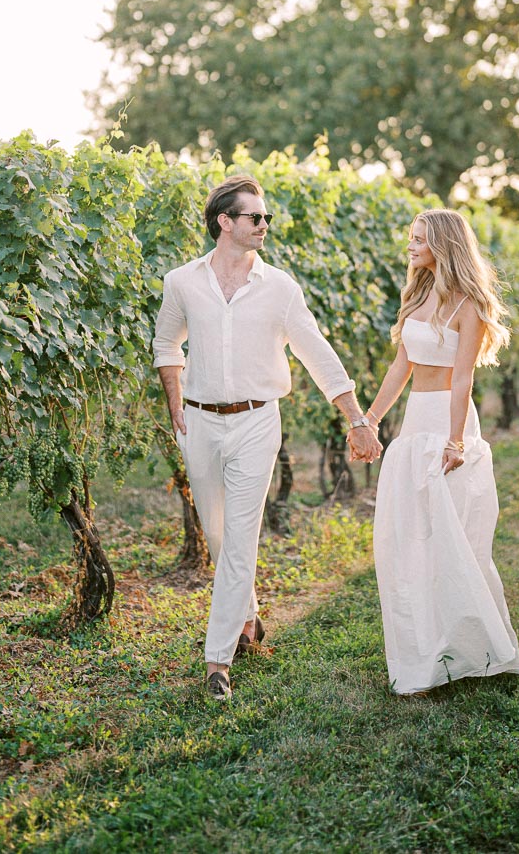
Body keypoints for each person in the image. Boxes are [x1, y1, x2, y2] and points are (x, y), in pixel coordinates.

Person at [154, 174, 382, 701]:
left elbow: (316, 352)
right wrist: (174, 400)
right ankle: (250, 617)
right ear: (224, 223)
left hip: (258, 421)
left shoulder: (280, 288)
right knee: (217, 536)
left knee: (239, 537)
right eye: (255, 217)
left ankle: (217, 659)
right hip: (200, 421)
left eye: (266, 218)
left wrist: (355, 416)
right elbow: (167, 342)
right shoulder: (182, 281)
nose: (264, 225)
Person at [356, 208, 519, 695]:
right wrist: (369, 418)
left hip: (448, 425)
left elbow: (463, 378)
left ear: (443, 245)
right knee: (411, 538)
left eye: (419, 239)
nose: (410, 246)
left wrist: (454, 441)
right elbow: (400, 368)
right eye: (410, 237)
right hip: (415, 426)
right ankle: (423, 652)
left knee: (454, 542)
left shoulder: (467, 304)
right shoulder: (419, 295)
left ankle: (474, 649)